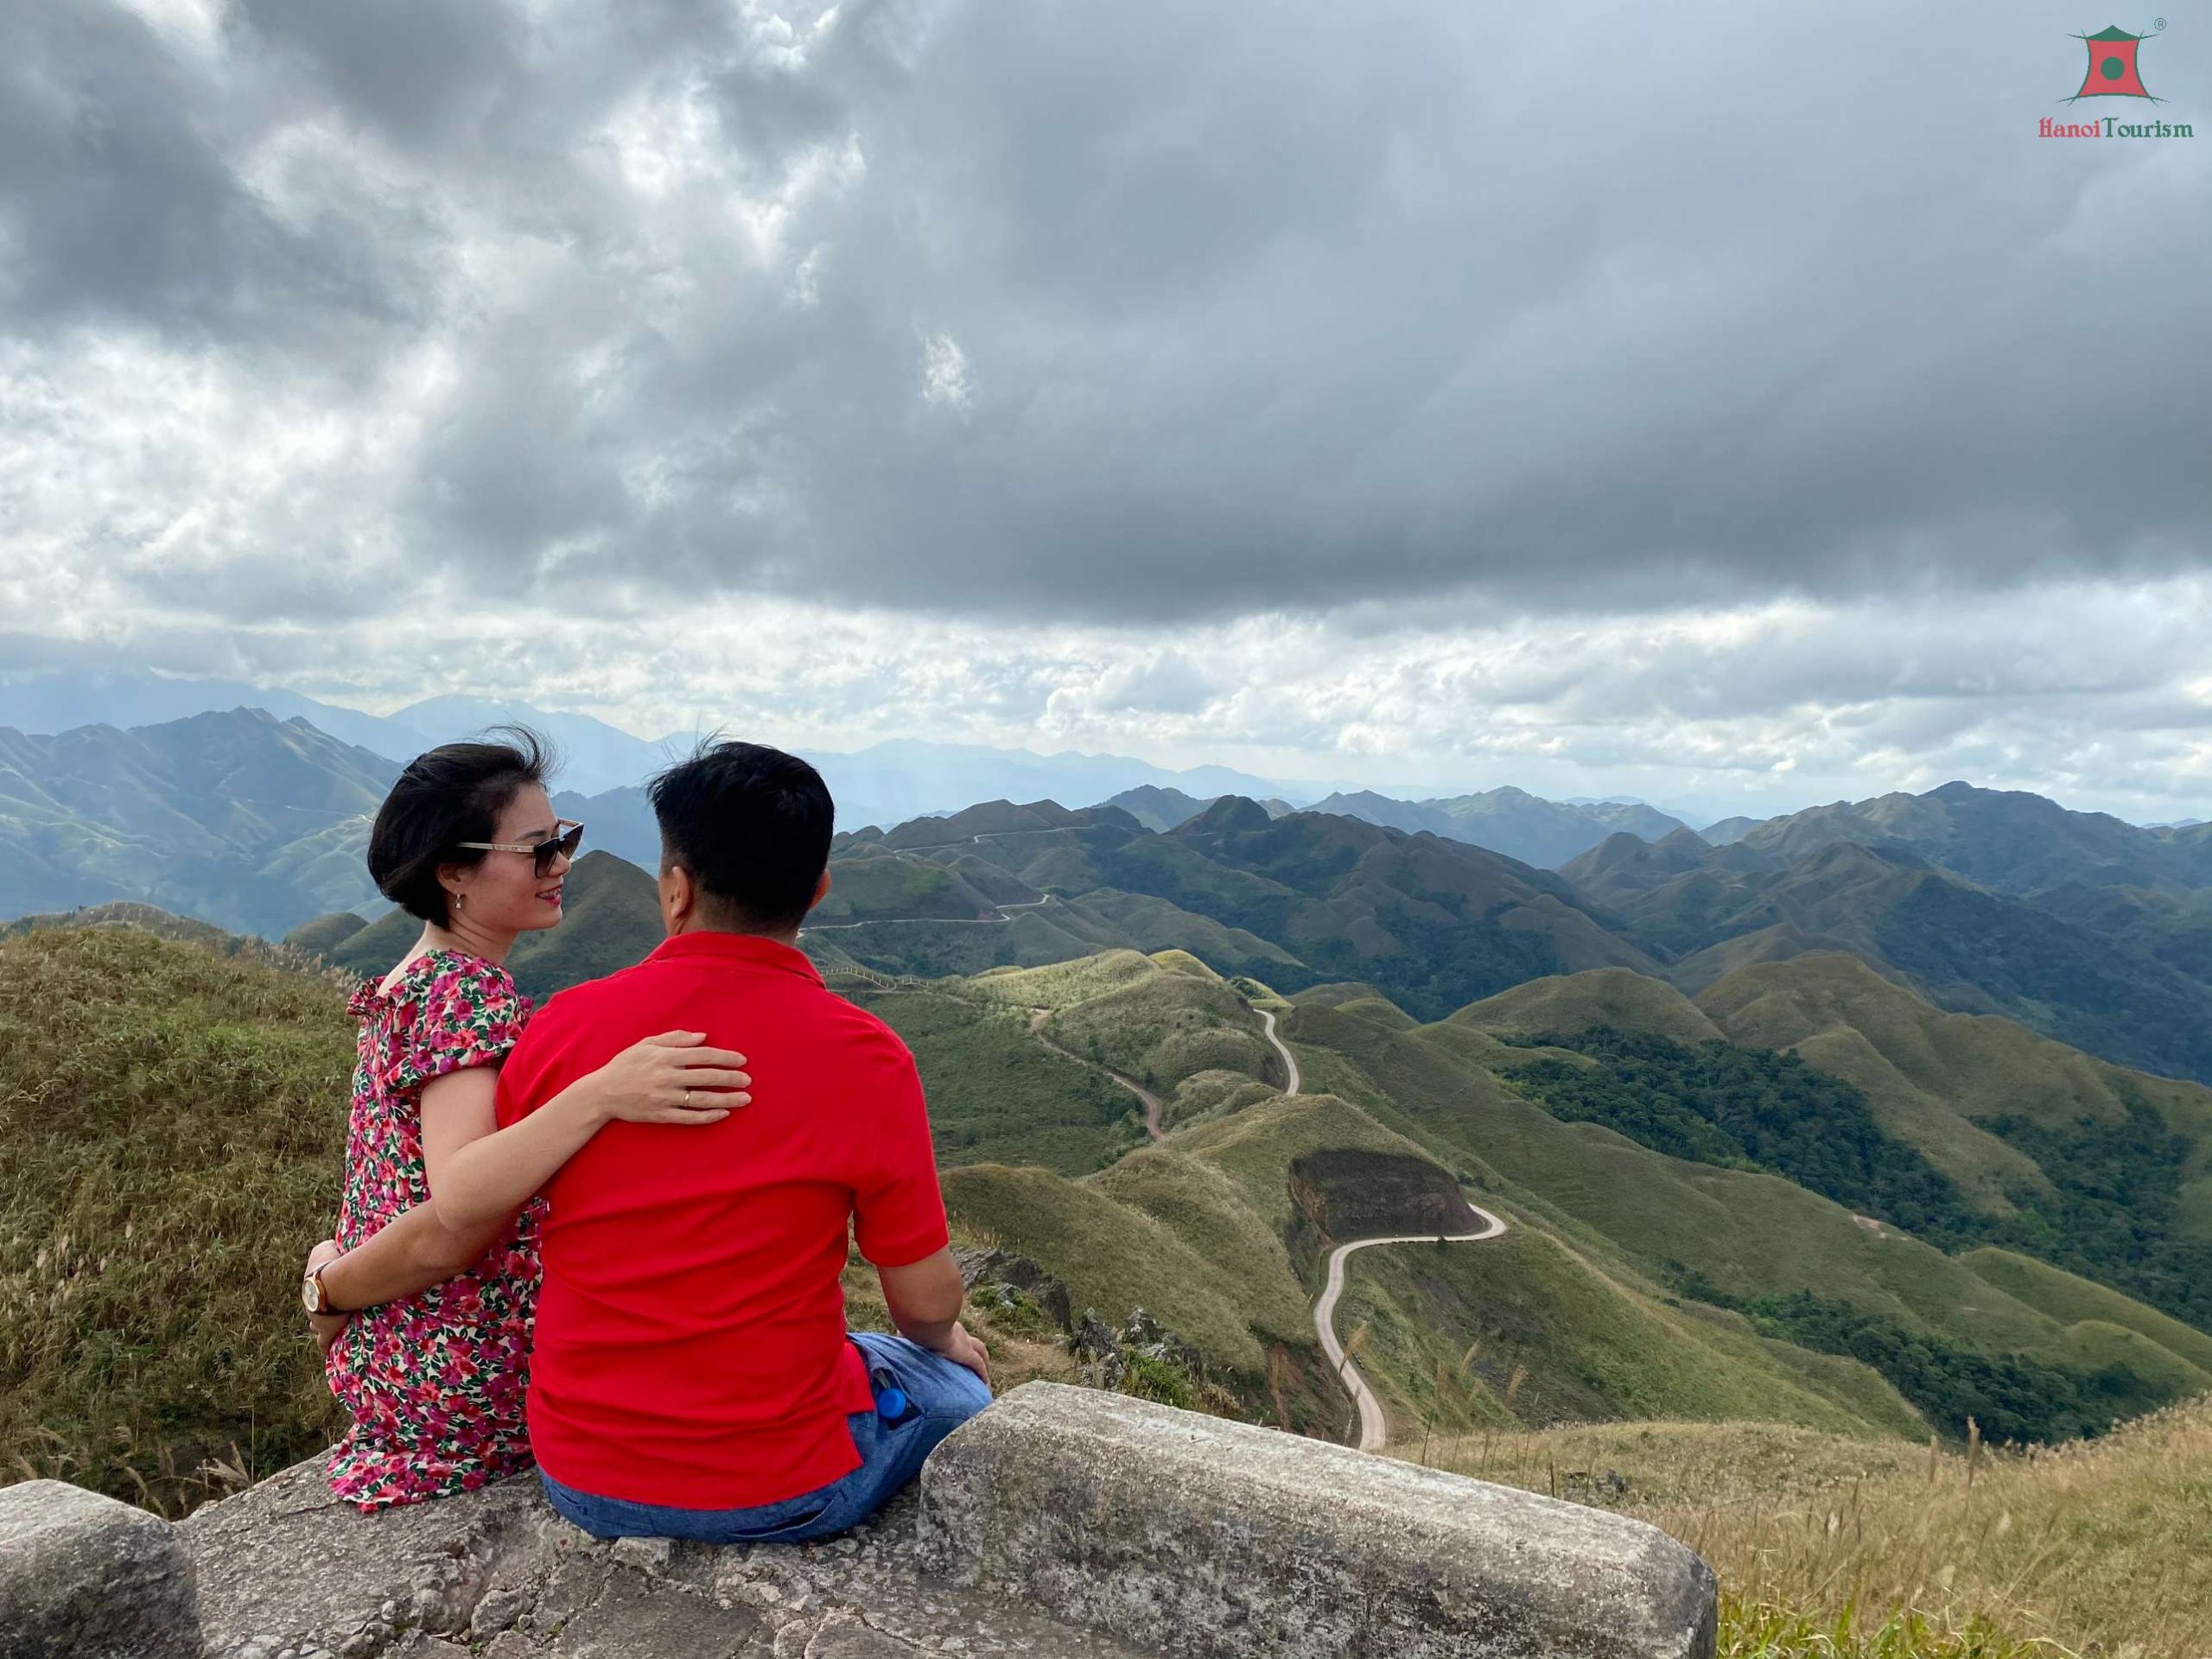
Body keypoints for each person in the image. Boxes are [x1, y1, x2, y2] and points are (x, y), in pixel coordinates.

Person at [493, 739, 992, 1543]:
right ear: (817, 890)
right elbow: (924, 1305)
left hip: (581, 1475)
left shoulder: (560, 1028)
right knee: (958, 1391)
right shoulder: (867, 1057)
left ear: (677, 889)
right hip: (782, 1489)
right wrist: (946, 1343)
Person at [301, 730, 747, 1509]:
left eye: (562, 839)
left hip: (401, 1354)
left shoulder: (410, 980)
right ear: (453, 873)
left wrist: (333, 1284)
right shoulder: (465, 993)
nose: (562, 865)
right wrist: (603, 1093)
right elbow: (461, 1201)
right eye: (537, 850)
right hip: (468, 1373)